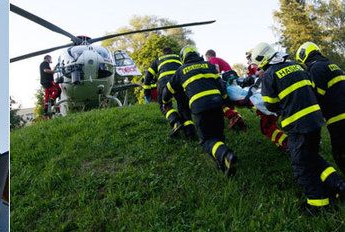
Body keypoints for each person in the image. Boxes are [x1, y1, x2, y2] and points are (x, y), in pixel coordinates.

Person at [252, 42, 345, 213]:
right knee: (312, 157)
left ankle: (319, 205)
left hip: (297, 125)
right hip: (315, 121)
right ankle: (338, 184)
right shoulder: (296, 65)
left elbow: (270, 105)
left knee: (301, 165)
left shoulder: (269, 74)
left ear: (262, 59)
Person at [163, 46, 237, 176]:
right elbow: (221, 85)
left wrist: (165, 102)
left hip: (200, 108)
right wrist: (226, 101)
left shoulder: (181, 70)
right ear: (197, 54)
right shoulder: (209, 65)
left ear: (183, 58)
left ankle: (225, 154)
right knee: (218, 136)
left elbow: (167, 90)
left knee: (206, 140)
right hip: (217, 104)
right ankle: (223, 161)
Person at [296, 42, 345, 173]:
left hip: (337, 118)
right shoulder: (332, 65)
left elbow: (317, 95)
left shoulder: (315, 68)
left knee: (340, 154)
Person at [143, 47, 196, 138]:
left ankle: (176, 122)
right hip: (179, 81)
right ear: (172, 52)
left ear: (163, 53)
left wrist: (147, 92)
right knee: (183, 106)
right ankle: (190, 130)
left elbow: (148, 76)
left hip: (164, 83)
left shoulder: (158, 60)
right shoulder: (179, 58)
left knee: (164, 105)